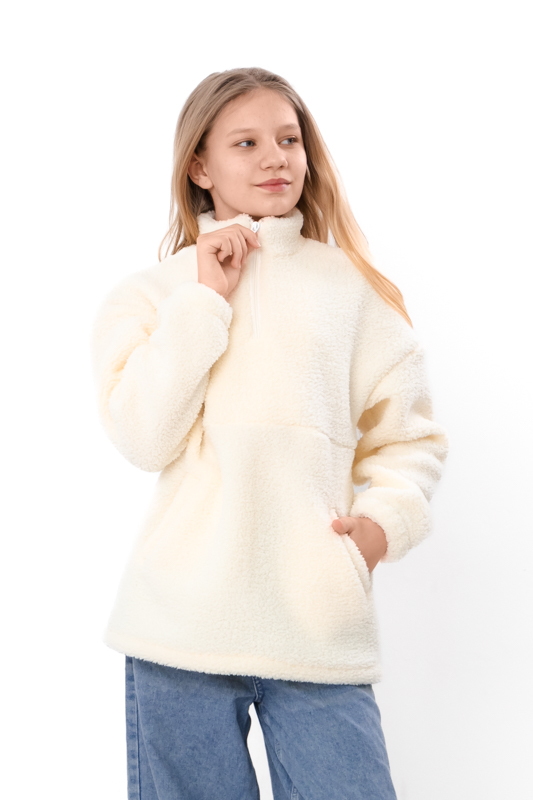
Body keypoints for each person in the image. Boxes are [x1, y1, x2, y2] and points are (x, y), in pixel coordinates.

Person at [90, 67, 449, 800]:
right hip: (180, 625)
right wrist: (204, 300)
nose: (275, 158)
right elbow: (143, 438)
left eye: (288, 139)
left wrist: (381, 526)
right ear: (199, 166)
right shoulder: (152, 295)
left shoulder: (352, 289)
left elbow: (409, 437)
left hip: (315, 624)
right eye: (246, 142)